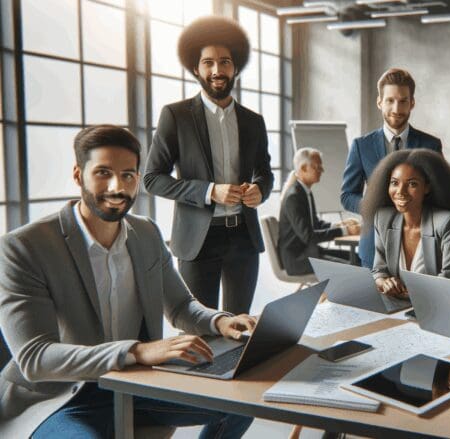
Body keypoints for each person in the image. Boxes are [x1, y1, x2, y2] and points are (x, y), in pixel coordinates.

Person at [0, 125, 256, 438]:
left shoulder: (146, 233)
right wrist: (136, 352)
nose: (116, 187)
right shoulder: (24, 247)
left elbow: (180, 306)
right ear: (79, 175)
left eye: (127, 175)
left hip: (134, 385)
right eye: (103, 173)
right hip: (60, 397)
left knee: (243, 403)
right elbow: (35, 357)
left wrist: (220, 322)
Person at [144, 16, 273, 314]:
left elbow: (265, 172)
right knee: (201, 330)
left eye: (225, 62)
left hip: (244, 237)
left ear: (235, 67)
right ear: (196, 68)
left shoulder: (254, 121)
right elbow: (151, 178)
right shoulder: (176, 116)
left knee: (240, 324)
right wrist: (210, 191)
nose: (217, 70)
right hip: (198, 240)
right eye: (209, 62)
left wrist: (260, 190)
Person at [341, 68, 443, 269]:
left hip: (420, 250)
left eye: (403, 101)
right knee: (371, 302)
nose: (396, 108)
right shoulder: (361, 146)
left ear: (412, 103)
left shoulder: (431, 145)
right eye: (390, 100)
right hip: (373, 249)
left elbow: (440, 196)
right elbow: (347, 195)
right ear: (379, 102)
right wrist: (375, 207)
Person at [360, 149, 450, 298]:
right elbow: (379, 270)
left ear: (427, 187)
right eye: (394, 183)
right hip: (400, 307)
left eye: (412, 184)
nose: (400, 191)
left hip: (442, 304)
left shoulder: (447, 222)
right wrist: (385, 282)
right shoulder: (382, 218)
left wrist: (408, 294)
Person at [279, 148, 361, 275]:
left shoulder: (304, 192)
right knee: (353, 267)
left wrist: (339, 225)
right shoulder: (294, 197)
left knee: (358, 259)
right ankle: (334, 294)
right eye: (317, 167)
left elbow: (314, 224)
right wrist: (347, 231)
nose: (322, 170)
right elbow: (309, 237)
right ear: (304, 168)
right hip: (298, 260)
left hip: (309, 252)